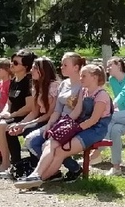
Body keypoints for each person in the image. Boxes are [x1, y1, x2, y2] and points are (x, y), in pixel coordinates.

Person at [16, 63, 112, 189]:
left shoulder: (101, 95)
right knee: (50, 142)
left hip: (95, 129)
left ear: (94, 77)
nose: (81, 78)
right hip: (81, 124)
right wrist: (63, 125)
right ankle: (35, 176)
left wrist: (74, 130)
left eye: (84, 76)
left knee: (61, 151)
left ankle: (39, 179)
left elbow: (94, 120)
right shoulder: (84, 91)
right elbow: (76, 112)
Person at [23, 52, 86, 180]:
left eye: (65, 65)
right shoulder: (64, 84)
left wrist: (59, 125)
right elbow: (57, 110)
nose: (61, 67)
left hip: (73, 124)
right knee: (31, 140)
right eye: (61, 64)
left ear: (76, 67)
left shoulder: (83, 86)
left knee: (44, 144)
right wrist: (50, 125)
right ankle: (55, 170)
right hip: (59, 122)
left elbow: (81, 111)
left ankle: (58, 170)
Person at [5, 57, 59, 177]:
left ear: (43, 70)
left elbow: (50, 114)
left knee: (29, 130)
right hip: (40, 118)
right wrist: (21, 124)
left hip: (52, 120)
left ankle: (37, 164)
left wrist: (25, 125)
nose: (31, 71)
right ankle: (16, 163)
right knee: (10, 129)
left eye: (35, 68)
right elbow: (35, 112)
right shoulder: (35, 86)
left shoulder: (54, 86)